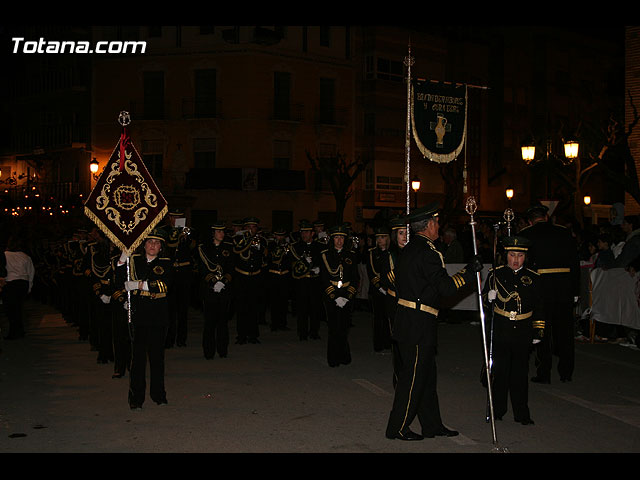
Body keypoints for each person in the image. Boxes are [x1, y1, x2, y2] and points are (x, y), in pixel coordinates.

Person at [385, 203, 483, 441]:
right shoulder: (428, 252)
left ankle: (432, 424)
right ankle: (397, 427)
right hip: (418, 323)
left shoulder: (410, 249)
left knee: (427, 378)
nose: (438, 226)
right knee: (413, 378)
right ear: (428, 225)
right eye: (436, 222)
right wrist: (470, 271)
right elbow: (445, 288)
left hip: (412, 320)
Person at [483, 236, 544, 425]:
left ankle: (522, 413)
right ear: (505, 255)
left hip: (522, 329)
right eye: (512, 255)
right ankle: (496, 410)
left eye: (519, 255)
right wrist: (488, 298)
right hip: (502, 328)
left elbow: (539, 306)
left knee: (519, 373)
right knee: (500, 372)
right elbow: (485, 302)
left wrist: (538, 330)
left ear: (525, 256)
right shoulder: (496, 274)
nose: (515, 259)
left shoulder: (534, 278)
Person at [519, 204, 579, 383]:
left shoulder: (526, 235)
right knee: (565, 333)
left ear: (530, 220)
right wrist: (575, 290)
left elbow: (524, 267)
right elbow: (574, 263)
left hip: (541, 290)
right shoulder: (564, 232)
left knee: (542, 332)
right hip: (563, 289)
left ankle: (544, 372)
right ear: (546, 217)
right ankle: (566, 372)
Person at [117, 228, 173, 410]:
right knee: (138, 360)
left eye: (156, 243)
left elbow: (164, 285)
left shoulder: (165, 263)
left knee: (157, 358)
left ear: (161, 247)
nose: (153, 246)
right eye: (149, 242)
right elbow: (120, 279)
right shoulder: (134, 261)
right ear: (144, 244)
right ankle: (136, 398)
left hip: (158, 315)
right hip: (139, 314)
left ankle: (159, 395)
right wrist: (122, 259)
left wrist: (140, 284)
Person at [319, 225, 358, 367]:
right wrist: (335, 296)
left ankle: (344, 355)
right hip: (332, 294)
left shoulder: (351, 254)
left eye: (342, 237)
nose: (339, 240)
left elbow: (355, 277)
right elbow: (324, 278)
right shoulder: (325, 254)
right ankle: (333, 358)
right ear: (332, 239)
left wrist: (348, 296)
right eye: (336, 237)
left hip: (346, 293)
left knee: (344, 326)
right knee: (334, 326)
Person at [197, 222, 234, 359]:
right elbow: (202, 269)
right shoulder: (204, 248)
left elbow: (231, 267)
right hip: (209, 290)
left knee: (223, 321)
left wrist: (223, 282)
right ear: (213, 233)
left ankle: (222, 350)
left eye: (223, 232)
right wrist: (213, 282)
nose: (222, 234)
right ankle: (209, 351)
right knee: (210, 322)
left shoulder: (228, 247)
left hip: (224, 289)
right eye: (219, 232)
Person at [162, 208, 194, 348]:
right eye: (173, 217)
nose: (176, 220)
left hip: (183, 272)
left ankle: (181, 339)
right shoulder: (164, 230)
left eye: (179, 217)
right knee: (169, 309)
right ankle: (169, 339)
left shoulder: (187, 231)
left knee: (182, 309)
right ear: (170, 218)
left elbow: (192, 248)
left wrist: (185, 238)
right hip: (170, 272)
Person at [232, 217, 266, 344]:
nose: (251, 229)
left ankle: (253, 335)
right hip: (242, 277)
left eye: (254, 227)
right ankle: (241, 335)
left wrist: (257, 245)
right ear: (245, 228)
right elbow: (237, 253)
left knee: (253, 307)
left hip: (255, 276)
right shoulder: (237, 239)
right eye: (249, 227)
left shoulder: (261, 240)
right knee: (241, 308)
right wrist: (247, 240)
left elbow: (264, 255)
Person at [289, 219, 324, 341]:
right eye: (302, 232)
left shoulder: (320, 246)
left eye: (307, 232)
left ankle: (314, 331)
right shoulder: (296, 247)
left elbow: (324, 262)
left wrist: (319, 269)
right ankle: (302, 333)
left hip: (315, 282)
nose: (304, 235)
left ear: (312, 233)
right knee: (302, 308)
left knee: (315, 307)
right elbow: (292, 264)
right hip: (302, 281)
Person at [1, 236, 35, 340]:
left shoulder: (5, 255)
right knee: (18, 307)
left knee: (11, 309)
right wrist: (29, 287)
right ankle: (19, 330)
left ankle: (14, 332)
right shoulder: (25, 256)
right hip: (22, 283)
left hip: (10, 283)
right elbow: (31, 272)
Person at [366, 226, 393, 352]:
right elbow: (371, 272)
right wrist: (380, 287)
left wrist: (389, 286)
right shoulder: (372, 253)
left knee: (389, 316)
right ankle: (378, 344)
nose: (380, 240)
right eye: (378, 238)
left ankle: (389, 342)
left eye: (383, 237)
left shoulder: (392, 253)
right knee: (378, 318)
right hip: (377, 290)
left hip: (390, 289)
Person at [266, 227, 292, 332]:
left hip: (284, 276)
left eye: (282, 235)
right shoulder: (271, 245)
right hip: (274, 276)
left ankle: (282, 323)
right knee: (274, 301)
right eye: (278, 235)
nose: (280, 237)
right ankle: (274, 323)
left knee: (283, 301)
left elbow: (290, 260)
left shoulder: (288, 246)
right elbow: (270, 259)